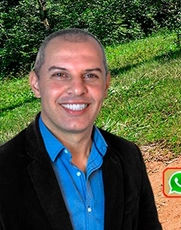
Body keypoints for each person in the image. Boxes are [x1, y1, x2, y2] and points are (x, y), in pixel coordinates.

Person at [0, 28, 162, 230]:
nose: (77, 89)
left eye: (91, 75)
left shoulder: (129, 156)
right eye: (60, 74)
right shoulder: (4, 169)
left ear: (106, 84)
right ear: (36, 84)